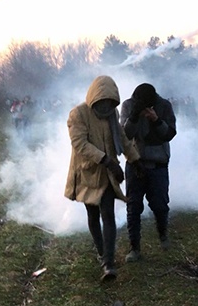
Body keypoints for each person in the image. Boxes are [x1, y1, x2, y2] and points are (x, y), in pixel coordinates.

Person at [64, 75, 143, 282]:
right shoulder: (78, 114)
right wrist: (107, 160)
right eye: (103, 102)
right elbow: (80, 144)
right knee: (93, 215)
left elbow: (123, 139)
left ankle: (108, 263)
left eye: (110, 103)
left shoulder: (112, 114)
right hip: (88, 172)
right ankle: (101, 252)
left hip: (108, 174)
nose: (106, 107)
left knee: (108, 214)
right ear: (94, 99)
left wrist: (135, 160)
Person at [119, 83, 177, 262]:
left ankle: (163, 234)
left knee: (160, 204)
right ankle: (134, 248)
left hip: (158, 163)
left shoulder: (164, 105)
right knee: (133, 206)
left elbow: (169, 134)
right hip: (135, 163)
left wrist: (156, 120)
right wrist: (135, 115)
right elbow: (125, 135)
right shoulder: (129, 105)